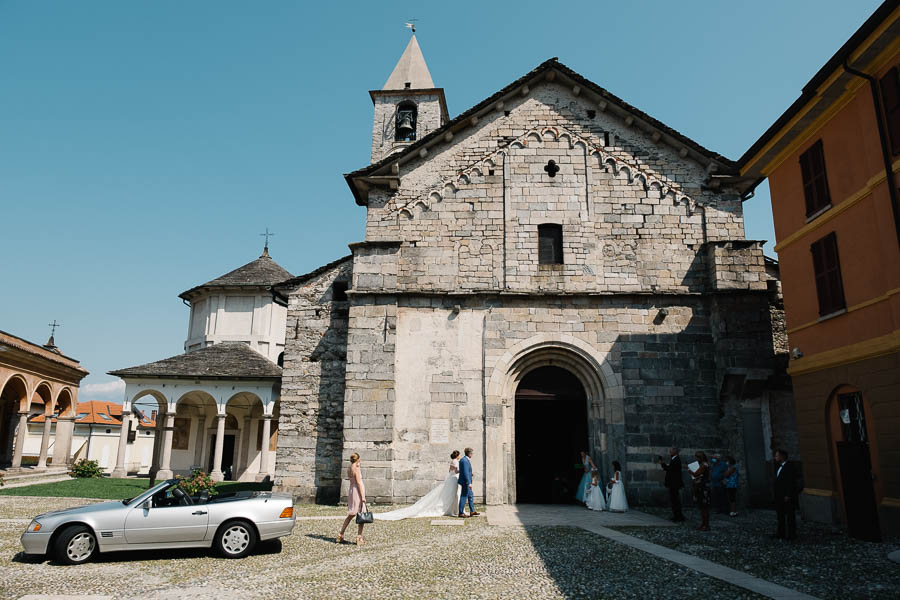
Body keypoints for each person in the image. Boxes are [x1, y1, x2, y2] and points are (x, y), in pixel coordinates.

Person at [376, 450, 461, 520]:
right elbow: (456, 471)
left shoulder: (452, 461)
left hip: (451, 479)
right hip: (453, 479)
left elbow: (450, 471)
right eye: (459, 455)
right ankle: (452, 509)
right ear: (457, 456)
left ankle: (452, 509)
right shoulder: (456, 461)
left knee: (449, 494)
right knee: (451, 495)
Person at [338, 452, 367, 545]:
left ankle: (341, 533)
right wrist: (362, 497)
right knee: (362, 514)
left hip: (352, 490)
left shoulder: (349, 468)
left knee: (351, 514)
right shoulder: (356, 468)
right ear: (358, 459)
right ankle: (359, 537)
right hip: (357, 491)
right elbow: (358, 482)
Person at [773, 448, 799, 540]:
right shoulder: (778, 467)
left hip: (787, 496)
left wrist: (788, 494)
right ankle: (781, 533)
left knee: (790, 516)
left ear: (782, 457)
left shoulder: (789, 467)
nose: (775, 457)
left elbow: (790, 482)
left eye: (776, 456)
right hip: (779, 496)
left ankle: (792, 535)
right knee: (780, 516)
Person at [657, 447, 685, 522]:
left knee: (675, 500)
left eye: (671, 451)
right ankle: (677, 515)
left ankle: (678, 516)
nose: (670, 452)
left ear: (675, 451)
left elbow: (670, 469)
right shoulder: (674, 459)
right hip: (673, 483)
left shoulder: (676, 459)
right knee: (674, 500)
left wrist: (662, 463)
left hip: (674, 483)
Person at [691, 451, 711, 531]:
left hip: (703, 488)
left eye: (697, 457)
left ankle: (706, 525)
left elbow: (696, 474)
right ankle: (703, 524)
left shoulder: (704, 465)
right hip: (700, 487)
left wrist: (690, 471)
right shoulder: (702, 464)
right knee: (702, 507)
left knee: (704, 507)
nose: (696, 458)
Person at [458, 447, 478, 518]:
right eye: (472, 453)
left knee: (470, 495)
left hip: (466, 481)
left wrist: (470, 473)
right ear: (469, 453)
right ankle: (461, 513)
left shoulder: (464, 460)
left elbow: (465, 471)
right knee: (464, 496)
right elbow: (465, 473)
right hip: (466, 482)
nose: (472, 455)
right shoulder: (465, 461)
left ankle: (472, 511)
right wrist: (469, 483)